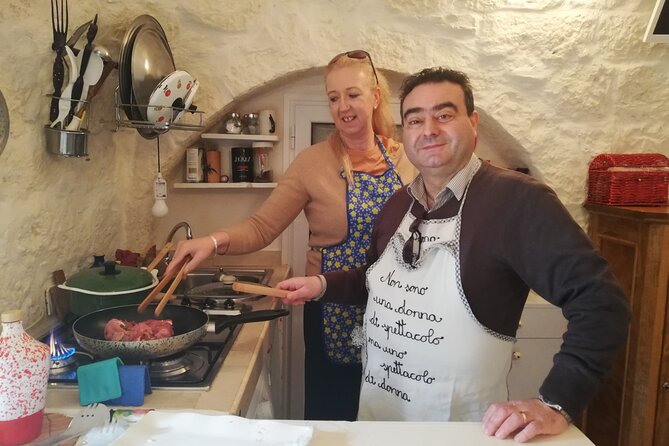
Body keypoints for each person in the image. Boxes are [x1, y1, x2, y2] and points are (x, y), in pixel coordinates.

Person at [276, 67, 629, 442]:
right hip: (377, 423)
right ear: (405, 132)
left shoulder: (517, 201)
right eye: (415, 119)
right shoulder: (397, 206)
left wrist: (557, 401)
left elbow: (602, 303)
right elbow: (375, 282)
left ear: (473, 123)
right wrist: (321, 284)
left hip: (462, 433)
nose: (428, 129)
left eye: (444, 115)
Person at [166, 50, 416, 421]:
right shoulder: (312, 163)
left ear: (376, 97)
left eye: (353, 94)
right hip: (332, 308)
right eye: (333, 98)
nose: (343, 106)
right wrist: (212, 241)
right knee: (336, 416)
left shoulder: (406, 159)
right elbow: (261, 227)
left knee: (393, 416)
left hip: (398, 309)